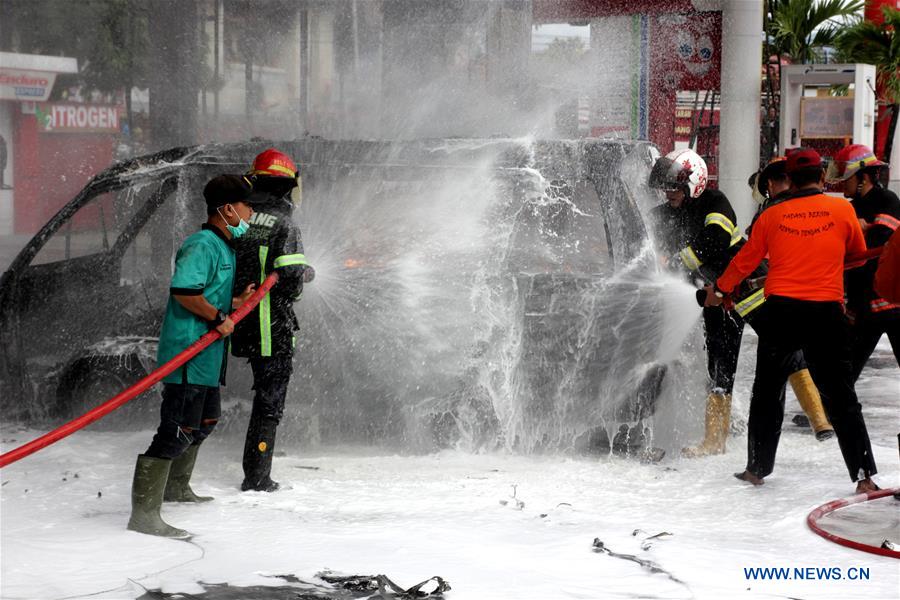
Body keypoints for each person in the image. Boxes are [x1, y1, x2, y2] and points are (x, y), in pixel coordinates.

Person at [709, 148, 879, 493]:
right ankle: (864, 477)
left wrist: (721, 289)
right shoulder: (842, 209)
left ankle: (756, 470)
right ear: (822, 177)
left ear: (789, 180)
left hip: (781, 312)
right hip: (826, 313)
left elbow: (745, 261)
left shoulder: (772, 215)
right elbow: (857, 255)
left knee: (766, 393)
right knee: (842, 397)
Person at [127, 175, 256, 537]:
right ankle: (143, 516)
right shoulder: (201, 244)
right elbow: (184, 292)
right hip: (187, 354)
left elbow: (206, 292)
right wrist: (217, 317)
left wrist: (235, 302)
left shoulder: (224, 246)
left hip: (207, 358)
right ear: (227, 209)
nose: (251, 213)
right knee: (177, 430)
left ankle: (176, 487)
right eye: (247, 206)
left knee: (205, 422)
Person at [648, 148, 753, 457]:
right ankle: (720, 432)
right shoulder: (671, 212)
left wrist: (675, 261)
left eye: (675, 187)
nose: (669, 193)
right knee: (718, 358)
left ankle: (716, 439)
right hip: (714, 293)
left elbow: (714, 240)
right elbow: (650, 233)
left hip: (742, 290)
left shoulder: (715, 203)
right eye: (666, 187)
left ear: (695, 184)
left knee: (755, 354)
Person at [231, 149, 315, 492]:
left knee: (261, 399)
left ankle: (254, 471)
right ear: (287, 187)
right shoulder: (284, 224)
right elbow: (291, 279)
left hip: (240, 321)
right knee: (270, 403)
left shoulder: (241, 219)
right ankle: (258, 477)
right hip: (271, 326)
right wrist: (303, 275)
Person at [746, 158, 834, 441]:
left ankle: (816, 422)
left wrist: (723, 288)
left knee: (775, 374)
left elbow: (751, 256)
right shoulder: (818, 207)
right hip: (820, 294)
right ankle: (822, 420)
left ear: (772, 184)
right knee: (806, 358)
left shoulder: (770, 212)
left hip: (779, 296)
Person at [826, 144, 900, 382]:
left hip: (890, 304)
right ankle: (831, 404)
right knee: (844, 370)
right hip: (862, 304)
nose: (842, 184)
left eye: (846, 178)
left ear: (863, 178)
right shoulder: (850, 208)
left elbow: (880, 243)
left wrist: (861, 231)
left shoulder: (886, 200)